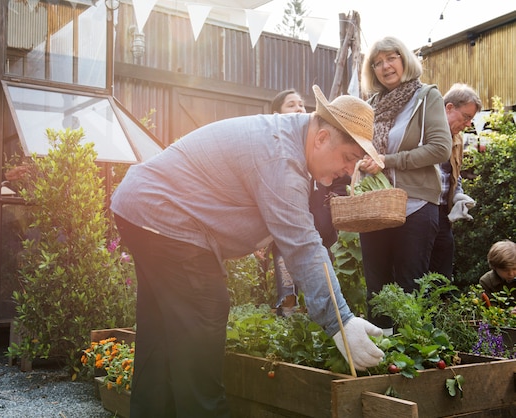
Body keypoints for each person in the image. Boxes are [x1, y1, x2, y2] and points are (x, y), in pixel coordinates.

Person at [110, 85, 385, 417]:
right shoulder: (281, 156)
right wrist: (341, 321)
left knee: (162, 332)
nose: (348, 170)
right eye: (348, 158)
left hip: (140, 209)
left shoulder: (287, 140)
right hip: (163, 217)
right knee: (204, 311)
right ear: (322, 138)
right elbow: (302, 245)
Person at [358, 36, 452, 332]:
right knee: (377, 290)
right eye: (377, 62)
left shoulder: (426, 97)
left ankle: (408, 361)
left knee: (409, 289)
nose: (385, 66)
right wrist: (362, 161)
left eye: (391, 58)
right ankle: (379, 362)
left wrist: (389, 160)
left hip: (415, 205)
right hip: (376, 207)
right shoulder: (371, 105)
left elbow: (440, 148)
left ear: (404, 59)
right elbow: (364, 149)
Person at [268, 89, 349, 316]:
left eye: (301, 104)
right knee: (286, 280)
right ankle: (288, 316)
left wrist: (331, 205)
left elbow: (342, 181)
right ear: (277, 114)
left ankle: (322, 319)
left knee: (320, 274)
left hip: (321, 232)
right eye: (291, 105)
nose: (299, 109)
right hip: (286, 231)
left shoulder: (316, 146)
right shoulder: (277, 150)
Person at [429, 83, 482, 279]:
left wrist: (459, 195)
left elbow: (455, 174)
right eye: (466, 117)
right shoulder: (425, 130)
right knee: (419, 268)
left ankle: (440, 307)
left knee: (443, 265)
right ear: (449, 108)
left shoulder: (457, 139)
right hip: (421, 209)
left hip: (442, 211)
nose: (468, 124)